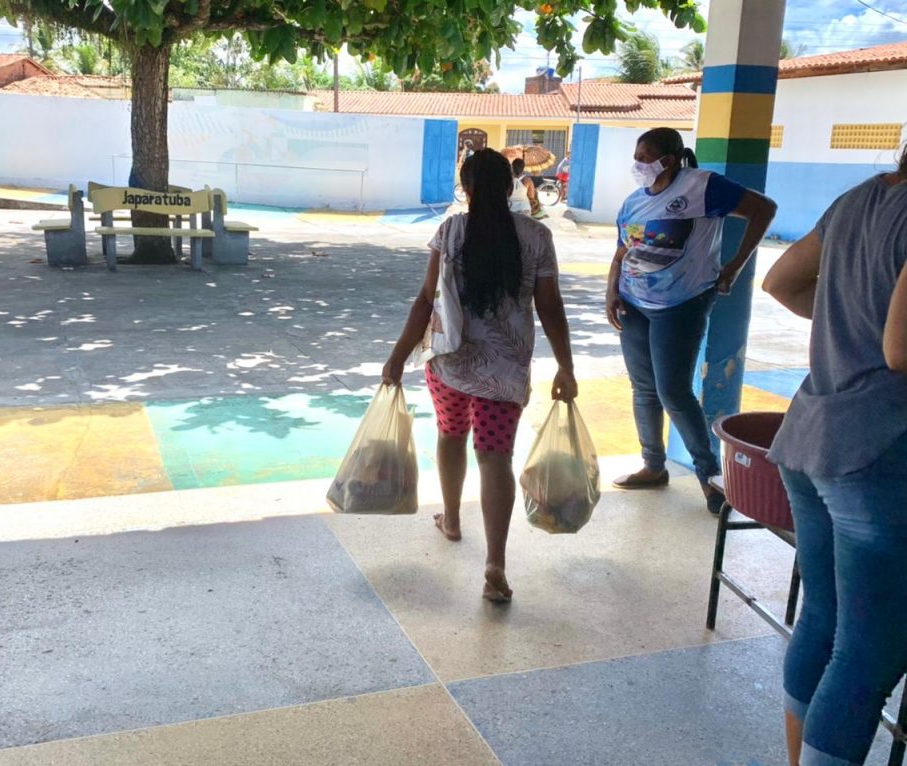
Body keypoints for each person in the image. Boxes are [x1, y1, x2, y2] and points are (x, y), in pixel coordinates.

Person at [762, 151, 907, 766]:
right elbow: (900, 349)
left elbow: (780, 282)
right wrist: (872, 322)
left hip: (812, 435)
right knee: (866, 654)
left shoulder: (859, 198)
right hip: (877, 451)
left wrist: (850, 314)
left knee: (823, 618)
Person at [382, 148, 578, 603]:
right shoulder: (536, 236)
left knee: (451, 436)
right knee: (494, 458)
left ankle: (451, 520)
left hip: (449, 363)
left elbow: (425, 300)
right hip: (505, 372)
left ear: (466, 189)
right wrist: (565, 366)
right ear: (510, 187)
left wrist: (398, 357)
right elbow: (550, 307)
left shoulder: (450, 231)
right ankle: (495, 564)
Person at [605, 127, 777, 514]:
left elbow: (764, 209)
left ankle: (709, 477)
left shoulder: (702, 187)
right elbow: (621, 252)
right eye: (636, 157)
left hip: (681, 303)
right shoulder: (633, 202)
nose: (638, 165)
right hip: (634, 303)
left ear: (667, 160)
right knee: (644, 388)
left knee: (674, 392)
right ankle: (653, 466)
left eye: (644, 158)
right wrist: (611, 291)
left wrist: (736, 264)